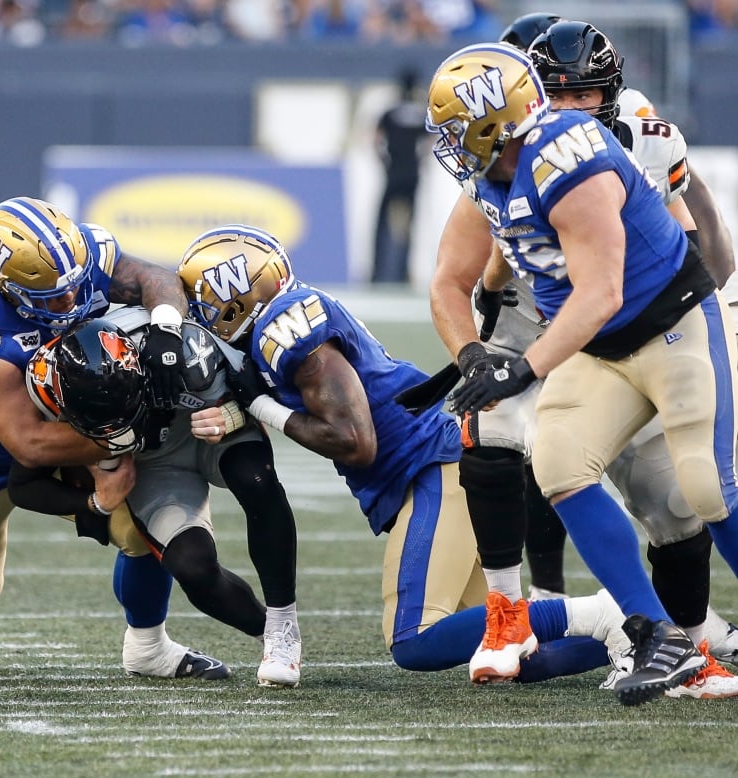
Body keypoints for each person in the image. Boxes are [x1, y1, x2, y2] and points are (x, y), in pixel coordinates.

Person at [422, 20, 738, 699]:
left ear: (498, 120)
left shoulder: (569, 154)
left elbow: (602, 292)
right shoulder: (492, 174)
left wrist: (524, 367)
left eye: (458, 128)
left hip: (671, 322)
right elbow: (454, 279)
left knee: (705, 488)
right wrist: (475, 355)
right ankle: (658, 637)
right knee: (559, 462)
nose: (450, 143)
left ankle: (686, 631)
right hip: (596, 346)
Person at [176, 223, 633, 687]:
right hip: (431, 465)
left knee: (416, 638)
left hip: (433, 467)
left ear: (236, 296)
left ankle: (603, 613)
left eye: (206, 303)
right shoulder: (282, 323)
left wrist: (260, 406)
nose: (204, 316)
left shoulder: (284, 327)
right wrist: (241, 409)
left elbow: (356, 442)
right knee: (508, 653)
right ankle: (643, 633)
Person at [0, 196, 231, 681]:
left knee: (144, 527)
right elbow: (28, 444)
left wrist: (167, 326)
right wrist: (133, 433)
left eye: (76, 285)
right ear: (9, 289)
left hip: (70, 428)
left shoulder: (84, 257)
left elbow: (155, 277)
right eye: (54, 297)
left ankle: (148, 647)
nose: (72, 300)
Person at [14, 311, 304, 686]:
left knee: (256, 481)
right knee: (192, 566)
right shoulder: (48, 386)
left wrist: (230, 415)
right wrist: (96, 504)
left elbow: (261, 387)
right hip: (155, 468)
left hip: (207, 430)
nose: (116, 427)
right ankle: (270, 633)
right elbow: (22, 484)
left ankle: (283, 621)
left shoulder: (181, 350)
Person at [370, 66, 429, 284]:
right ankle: (403, 272)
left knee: (382, 222)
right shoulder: (421, 113)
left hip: (393, 173)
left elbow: (376, 140)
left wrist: (385, 162)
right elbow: (430, 141)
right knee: (409, 224)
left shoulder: (390, 112)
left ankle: (377, 272)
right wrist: (420, 161)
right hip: (412, 174)